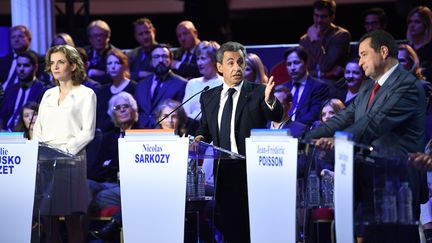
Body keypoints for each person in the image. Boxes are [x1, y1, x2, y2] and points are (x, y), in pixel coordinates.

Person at [304, 30, 428, 242]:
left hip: (396, 188)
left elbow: (373, 123)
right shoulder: (369, 85)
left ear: (383, 51)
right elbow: (345, 116)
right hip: (367, 184)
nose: (359, 62)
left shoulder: (406, 85)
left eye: (363, 54)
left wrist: (338, 140)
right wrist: (306, 136)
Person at [194, 41, 283, 242]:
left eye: (240, 62)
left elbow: (276, 115)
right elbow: (205, 128)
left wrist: (270, 100)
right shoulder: (208, 97)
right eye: (231, 63)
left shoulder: (259, 92)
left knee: (249, 224)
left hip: (250, 169)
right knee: (229, 225)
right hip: (223, 170)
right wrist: (199, 138)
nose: (236, 68)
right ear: (219, 67)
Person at [32, 44, 96, 243]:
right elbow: (38, 128)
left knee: (72, 219)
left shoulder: (86, 94)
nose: (55, 67)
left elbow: (88, 132)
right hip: (45, 163)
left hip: (71, 162)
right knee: (48, 220)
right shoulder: (48, 94)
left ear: (73, 65)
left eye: (61, 62)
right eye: (52, 63)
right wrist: (39, 151)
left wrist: (63, 152)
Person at [89, 91, 139, 241]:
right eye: (117, 108)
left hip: (127, 186)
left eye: (126, 106)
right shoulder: (107, 138)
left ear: (133, 110)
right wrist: (112, 166)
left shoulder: (143, 133)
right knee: (84, 186)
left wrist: (109, 164)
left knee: (94, 196)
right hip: (105, 183)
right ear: (112, 114)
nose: (122, 110)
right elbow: (95, 170)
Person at [135, 43, 187, 128]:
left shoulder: (181, 84)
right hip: (141, 133)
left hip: (165, 133)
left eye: (164, 56)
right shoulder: (141, 84)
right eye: (156, 57)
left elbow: (180, 115)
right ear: (151, 61)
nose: (160, 60)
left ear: (171, 59)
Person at [299, 0, 351, 81]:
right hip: (310, 84)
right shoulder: (304, 39)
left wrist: (315, 41)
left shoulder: (341, 35)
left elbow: (325, 66)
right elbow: (303, 70)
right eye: (316, 16)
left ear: (332, 17)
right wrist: (325, 74)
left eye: (323, 16)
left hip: (332, 86)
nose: (319, 20)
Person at [282, 46, 329, 126]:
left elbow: (314, 114)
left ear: (306, 63)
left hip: (304, 131)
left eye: (296, 63)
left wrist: (291, 126)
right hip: (281, 131)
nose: (292, 68)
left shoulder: (319, 87)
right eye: (289, 64)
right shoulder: (283, 87)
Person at [0, 51, 46, 131]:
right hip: (6, 134)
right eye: (19, 65)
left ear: (35, 67)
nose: (21, 69)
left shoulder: (43, 90)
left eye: (26, 65)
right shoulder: (10, 89)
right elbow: (2, 116)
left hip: (29, 134)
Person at [96, 48, 136, 132]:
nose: (113, 67)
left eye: (117, 63)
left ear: (124, 65)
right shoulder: (102, 90)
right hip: (106, 136)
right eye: (109, 64)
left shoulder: (134, 87)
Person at [182, 40, 223, 120]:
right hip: (192, 130)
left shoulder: (225, 83)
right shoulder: (192, 83)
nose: (199, 63)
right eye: (198, 59)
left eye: (203, 58)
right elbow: (184, 113)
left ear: (215, 60)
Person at [0, 25, 47, 91]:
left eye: (20, 36)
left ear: (29, 39)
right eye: (13, 37)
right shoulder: (3, 61)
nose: (16, 40)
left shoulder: (40, 60)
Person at [84, 20, 117, 85]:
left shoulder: (116, 54)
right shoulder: (84, 52)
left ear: (108, 37)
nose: (99, 38)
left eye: (102, 35)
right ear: (90, 38)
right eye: (95, 35)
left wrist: (102, 73)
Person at [406, 6, 432, 81]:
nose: (412, 25)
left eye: (417, 22)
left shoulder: (430, 48)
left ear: (426, 24)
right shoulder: (405, 47)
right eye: (410, 21)